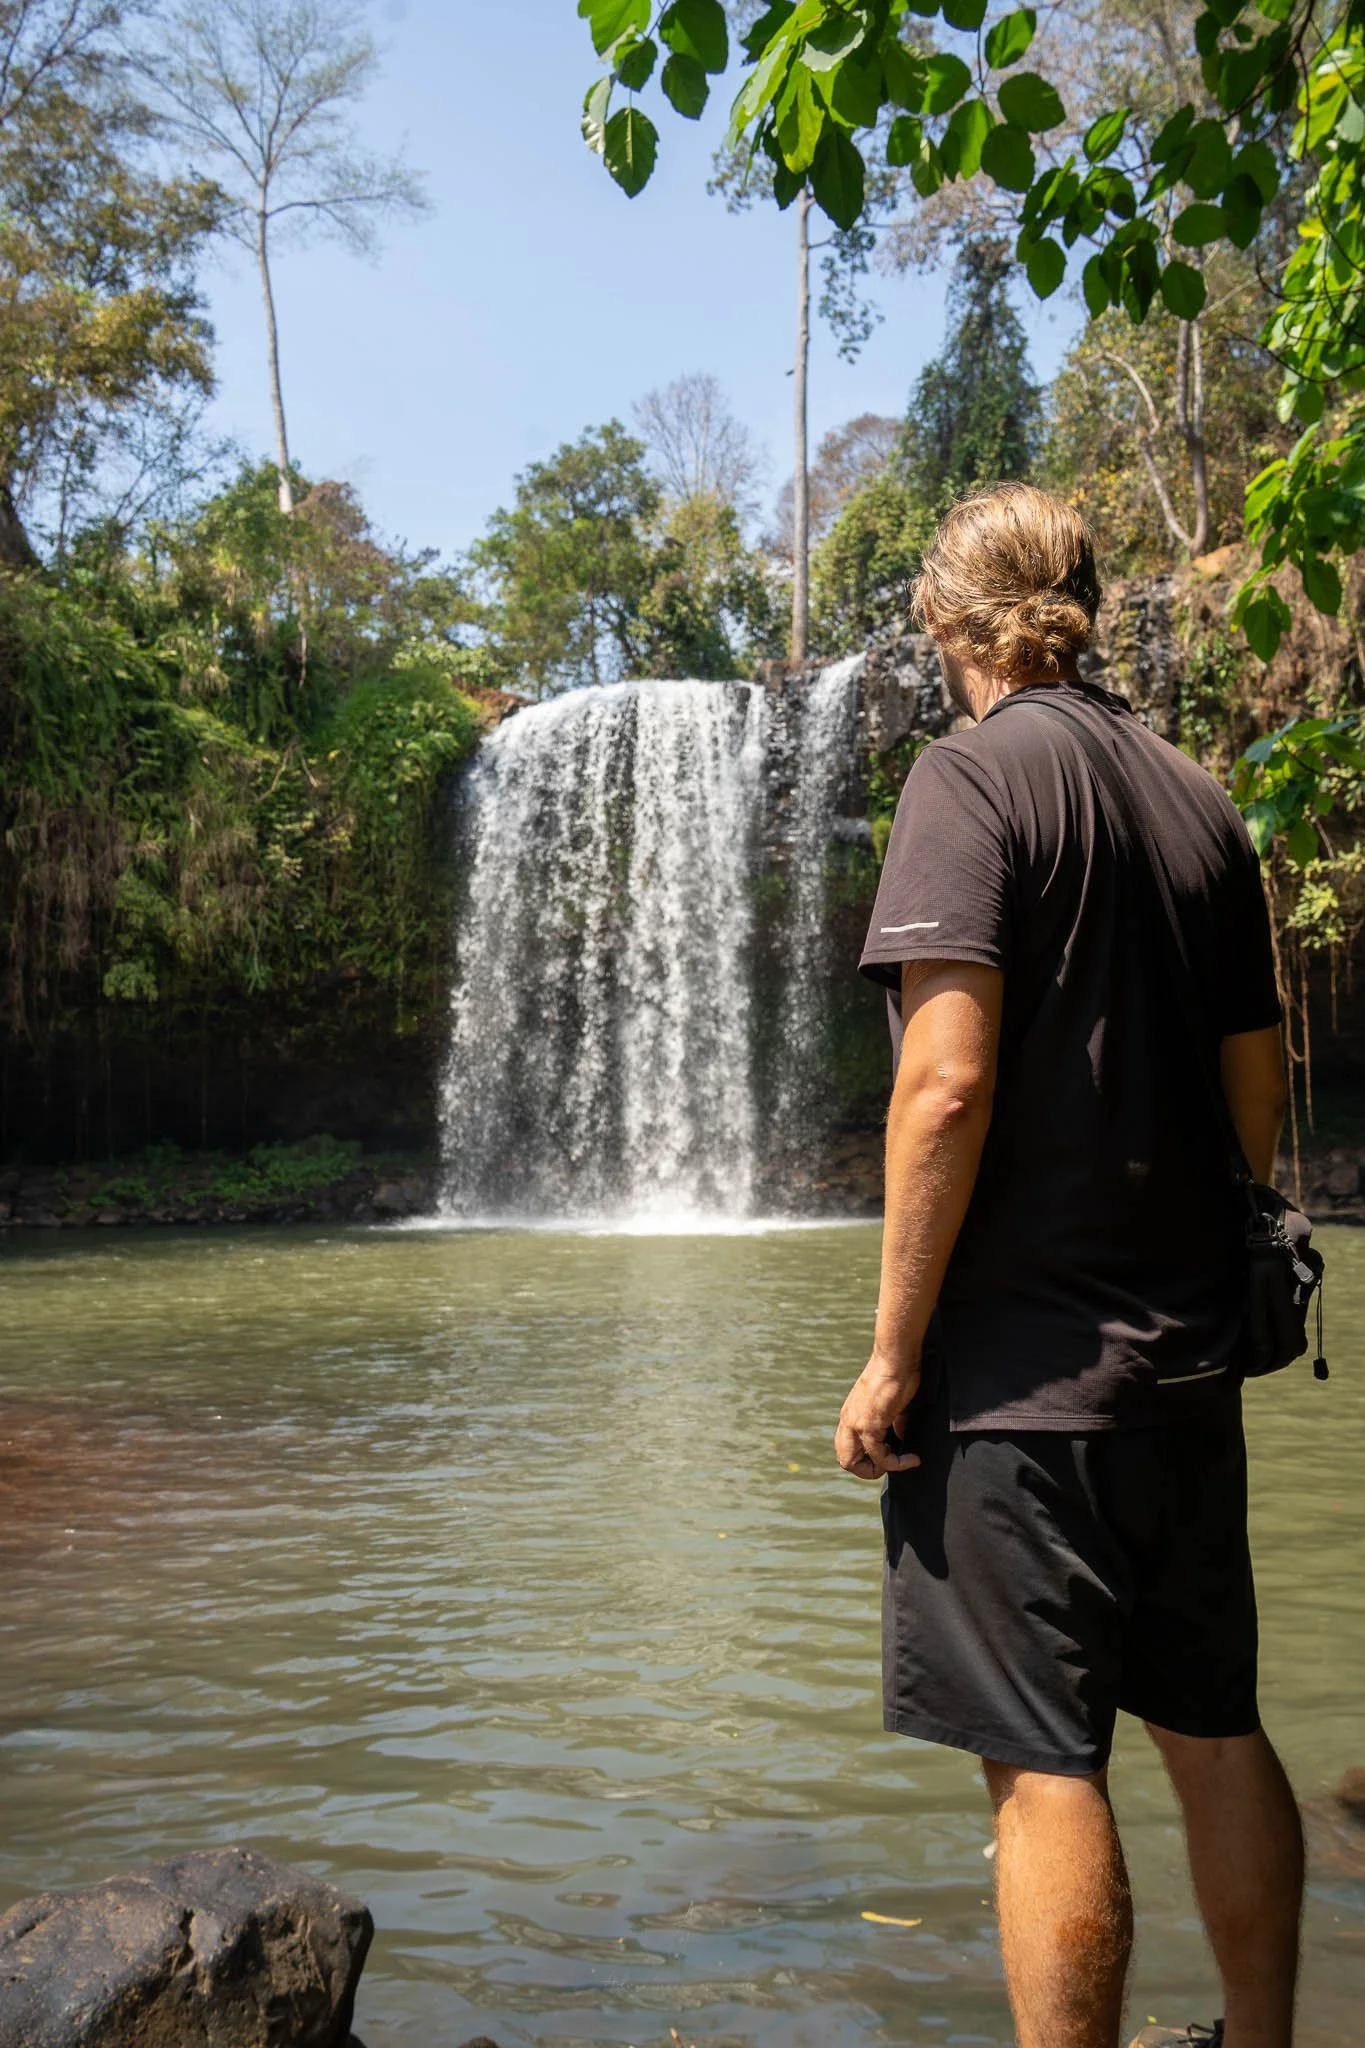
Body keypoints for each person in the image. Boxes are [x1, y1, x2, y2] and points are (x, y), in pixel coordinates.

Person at [834, 482, 1302, 2048]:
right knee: (1218, 1732)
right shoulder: (1196, 795)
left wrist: (895, 1353)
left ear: (943, 618)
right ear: (1084, 603)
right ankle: (1261, 2036)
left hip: (1022, 1381)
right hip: (1184, 1370)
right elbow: (1259, 1091)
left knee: (1044, 1766)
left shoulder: (966, 782)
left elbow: (944, 1082)